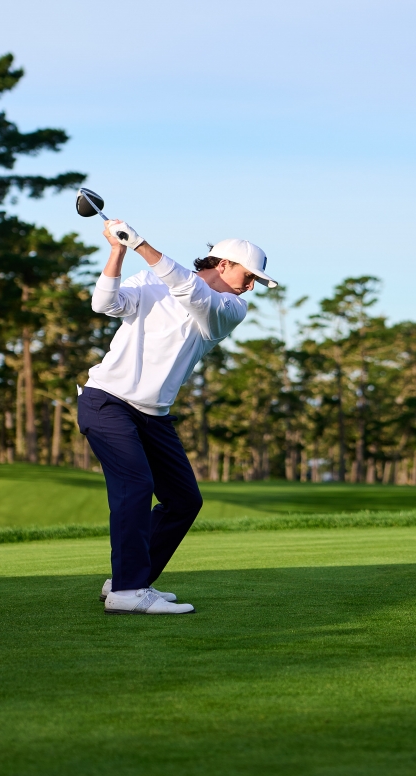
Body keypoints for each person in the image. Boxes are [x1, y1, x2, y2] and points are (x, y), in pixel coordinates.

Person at [78, 217, 277, 615]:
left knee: (184, 500)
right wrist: (119, 251)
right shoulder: (150, 280)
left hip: (153, 415)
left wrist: (141, 243)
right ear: (222, 263)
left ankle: (128, 580)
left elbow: (191, 292)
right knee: (136, 485)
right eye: (248, 274)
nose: (251, 285)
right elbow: (104, 304)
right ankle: (128, 591)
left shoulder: (229, 307)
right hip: (107, 402)